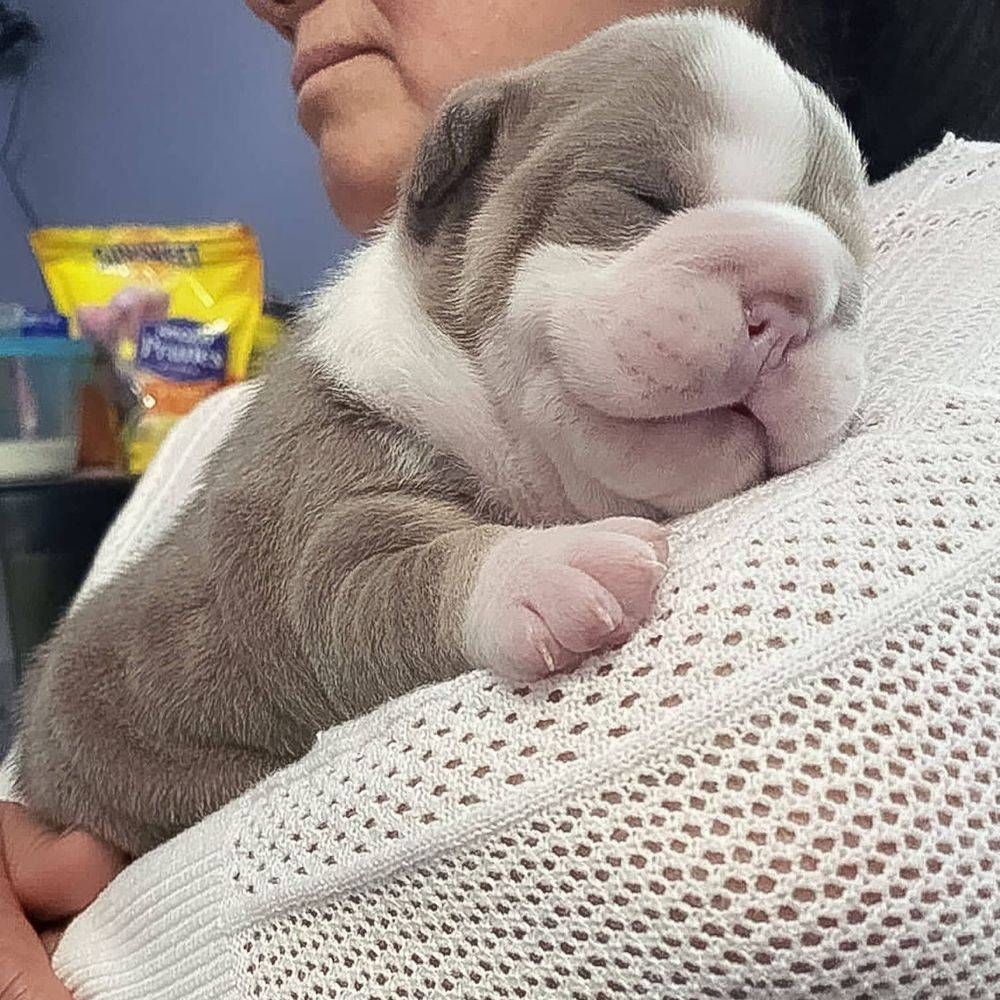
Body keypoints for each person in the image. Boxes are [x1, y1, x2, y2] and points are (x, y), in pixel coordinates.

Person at [3, 1, 998, 996]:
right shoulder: (333, 395)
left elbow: (789, 870)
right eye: (640, 203)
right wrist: (471, 585)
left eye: (839, 295)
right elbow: (321, 592)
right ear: (463, 173)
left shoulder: (951, 338)